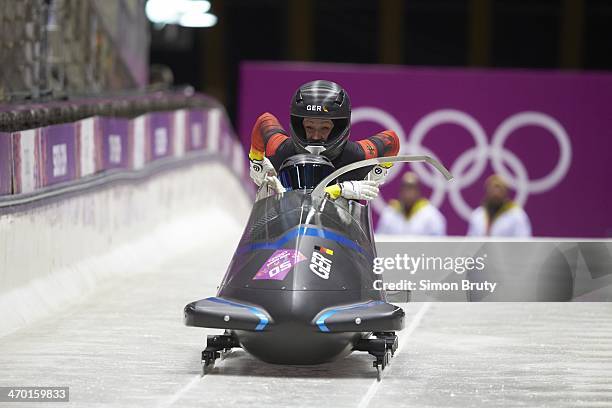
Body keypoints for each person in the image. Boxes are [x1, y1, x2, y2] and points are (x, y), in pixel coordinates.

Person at [248, 80, 400, 200]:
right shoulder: (281, 149)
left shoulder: (357, 156)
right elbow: (264, 121)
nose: (315, 136)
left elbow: (391, 140)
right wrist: (257, 162)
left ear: (338, 128)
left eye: (324, 128)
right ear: (299, 125)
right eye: (309, 127)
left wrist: (378, 172)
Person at [376, 172, 446, 236]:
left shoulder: (431, 215)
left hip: (422, 250)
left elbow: (439, 244)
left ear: (418, 191)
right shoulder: (389, 213)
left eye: (411, 188)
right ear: (400, 190)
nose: (408, 192)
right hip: (394, 250)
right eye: (405, 187)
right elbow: (379, 241)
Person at [467, 174, 532, 237]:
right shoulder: (477, 215)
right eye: (492, 189)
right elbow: (471, 243)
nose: (496, 193)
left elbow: (524, 242)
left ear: (505, 192)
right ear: (487, 191)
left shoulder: (517, 215)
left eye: (500, 189)